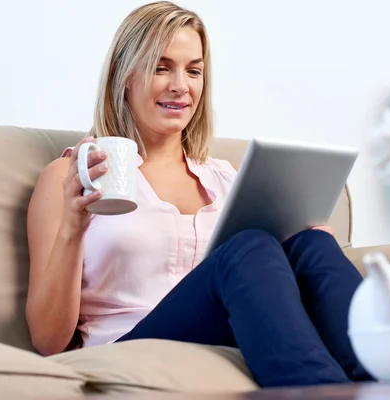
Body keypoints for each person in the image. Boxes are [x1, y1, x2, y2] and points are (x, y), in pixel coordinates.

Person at [25, 0, 371, 388]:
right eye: (161, 67)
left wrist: (299, 238)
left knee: (311, 245)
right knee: (247, 249)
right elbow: (48, 341)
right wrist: (74, 224)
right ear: (124, 75)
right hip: (125, 347)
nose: (180, 85)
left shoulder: (226, 178)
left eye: (193, 71)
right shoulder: (73, 176)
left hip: (225, 334)